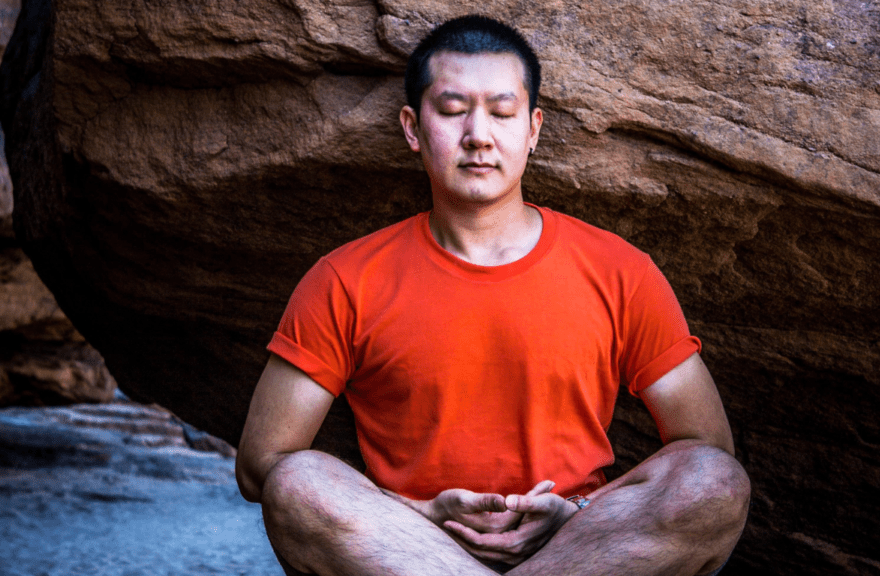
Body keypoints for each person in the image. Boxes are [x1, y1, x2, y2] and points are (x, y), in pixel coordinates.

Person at [236, 15, 750, 576]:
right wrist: (421, 513)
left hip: (582, 551)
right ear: (413, 128)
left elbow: (707, 443)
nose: (478, 134)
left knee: (714, 480)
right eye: (453, 110)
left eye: (502, 113)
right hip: (406, 552)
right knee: (298, 482)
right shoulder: (346, 279)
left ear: (532, 130)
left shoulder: (620, 271)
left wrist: (575, 512)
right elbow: (262, 465)